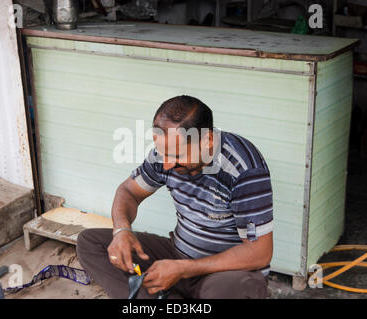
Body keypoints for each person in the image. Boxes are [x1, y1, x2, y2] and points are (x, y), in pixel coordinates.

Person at [76, 95, 273, 299]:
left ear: (207, 141)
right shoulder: (164, 154)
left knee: (233, 290)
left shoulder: (243, 168)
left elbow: (259, 252)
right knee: (91, 243)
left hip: (225, 273)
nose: (167, 164)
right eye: (164, 154)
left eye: (177, 156)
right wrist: (121, 230)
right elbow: (128, 191)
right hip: (178, 254)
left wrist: (184, 268)